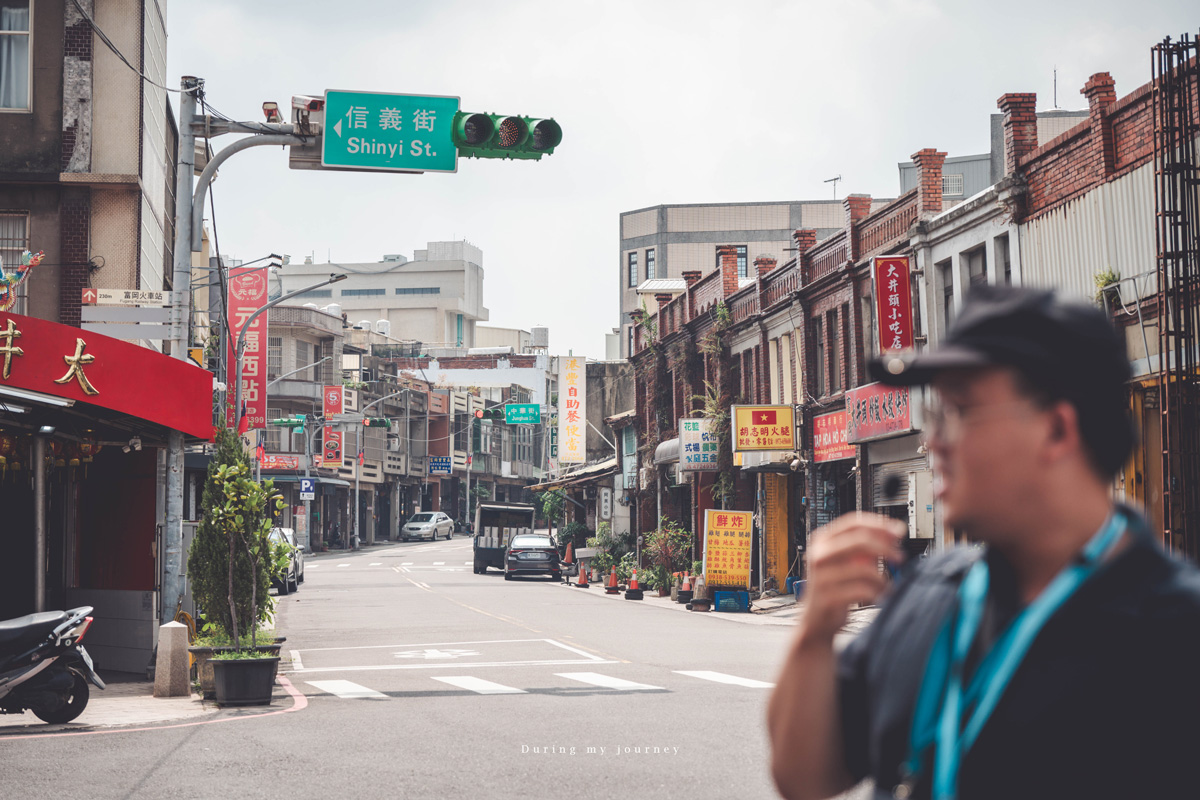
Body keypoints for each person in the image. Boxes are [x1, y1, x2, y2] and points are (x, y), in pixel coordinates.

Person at [767, 285, 1200, 800]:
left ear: (1057, 429)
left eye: (960, 410)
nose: (933, 441)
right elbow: (804, 778)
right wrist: (814, 632)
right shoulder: (932, 591)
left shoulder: (1176, 635)